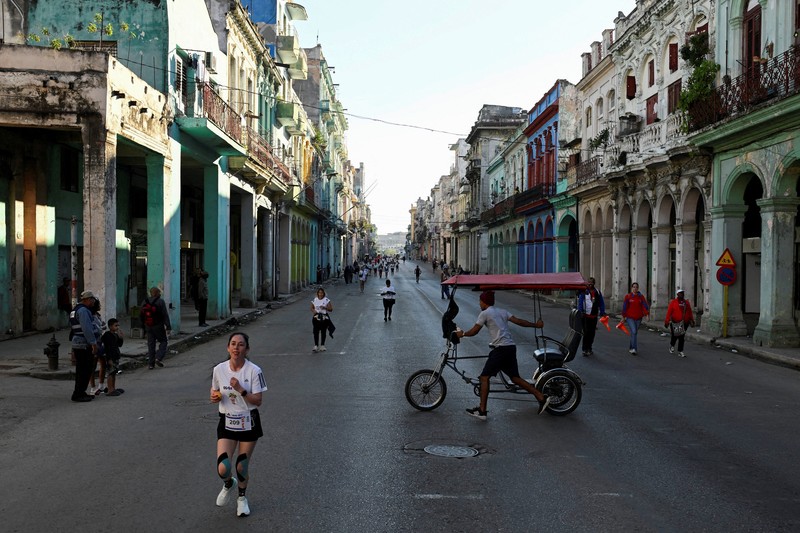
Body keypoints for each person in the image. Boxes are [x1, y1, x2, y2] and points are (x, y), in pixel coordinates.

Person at [456, 290, 550, 419]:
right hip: (510, 348)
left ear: (484, 301)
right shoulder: (502, 311)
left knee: (484, 377)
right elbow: (519, 321)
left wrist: (463, 334)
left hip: (501, 350)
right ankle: (540, 396)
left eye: (480, 301)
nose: (479, 303)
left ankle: (482, 411)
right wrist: (536, 325)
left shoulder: (484, 313)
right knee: (515, 378)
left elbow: (474, 331)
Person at [210, 332, 267, 518]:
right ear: (228, 348)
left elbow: (257, 400)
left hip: (248, 421)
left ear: (246, 349)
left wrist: (241, 390)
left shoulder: (254, 371)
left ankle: (242, 499)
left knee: (242, 466)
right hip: (227, 420)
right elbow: (215, 390)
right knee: (223, 467)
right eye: (233, 344)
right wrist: (214, 396)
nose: (236, 347)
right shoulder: (219, 369)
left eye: (241, 345)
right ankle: (229, 483)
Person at [69, 291, 100, 402]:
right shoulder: (83, 311)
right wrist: (93, 343)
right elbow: (87, 329)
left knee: (82, 369)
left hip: (78, 343)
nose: (93, 302)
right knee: (85, 369)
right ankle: (79, 393)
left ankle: (80, 392)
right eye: (92, 300)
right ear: (87, 299)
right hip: (83, 344)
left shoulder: (76, 309)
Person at [141, 286, 171, 369]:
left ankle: (151, 364)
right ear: (157, 293)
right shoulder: (160, 301)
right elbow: (165, 315)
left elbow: (141, 315)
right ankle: (158, 357)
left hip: (148, 326)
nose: (160, 294)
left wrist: (143, 326)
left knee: (151, 345)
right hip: (158, 325)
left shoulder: (145, 301)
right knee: (163, 341)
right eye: (159, 292)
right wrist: (168, 326)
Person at [577, 277, 606, 356]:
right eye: (589, 282)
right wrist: (580, 312)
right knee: (586, 332)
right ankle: (584, 349)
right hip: (585, 316)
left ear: (594, 283)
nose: (590, 284)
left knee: (592, 333)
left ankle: (589, 347)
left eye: (592, 282)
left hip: (594, 316)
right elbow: (580, 303)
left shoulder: (597, 292)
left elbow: (601, 302)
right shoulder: (584, 292)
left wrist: (602, 312)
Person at [664, 289, 695, 358]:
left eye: (682, 293)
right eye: (680, 293)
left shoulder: (686, 302)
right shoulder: (673, 302)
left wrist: (692, 320)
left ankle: (680, 351)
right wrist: (666, 321)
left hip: (684, 322)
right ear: (677, 294)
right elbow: (669, 312)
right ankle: (672, 345)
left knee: (681, 337)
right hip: (675, 322)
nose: (682, 294)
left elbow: (689, 312)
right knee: (675, 335)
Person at [621, 282, 649, 355]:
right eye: (634, 287)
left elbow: (644, 306)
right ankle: (634, 348)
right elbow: (625, 307)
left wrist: (647, 315)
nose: (635, 288)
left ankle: (631, 347)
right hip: (630, 317)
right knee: (633, 331)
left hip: (638, 318)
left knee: (634, 333)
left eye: (636, 287)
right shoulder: (628, 296)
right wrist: (623, 317)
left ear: (638, 288)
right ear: (631, 288)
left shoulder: (641, 297)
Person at [88, 298, 108, 395]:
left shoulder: (98, 315)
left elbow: (103, 325)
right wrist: (101, 328)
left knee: (103, 363)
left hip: (100, 341)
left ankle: (101, 385)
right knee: (93, 365)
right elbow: (96, 328)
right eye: (99, 305)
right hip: (94, 342)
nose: (100, 307)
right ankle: (92, 387)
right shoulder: (91, 316)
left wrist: (101, 327)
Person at [101, 318, 125, 396]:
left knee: (114, 372)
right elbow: (108, 348)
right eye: (115, 325)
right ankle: (110, 389)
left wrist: (121, 338)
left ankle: (113, 388)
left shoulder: (115, 334)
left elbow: (119, 345)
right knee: (110, 373)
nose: (117, 327)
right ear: (110, 326)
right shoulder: (107, 335)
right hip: (111, 357)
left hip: (116, 356)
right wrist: (109, 359)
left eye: (118, 325)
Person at [311, 288, 333, 352]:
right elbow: (311, 307)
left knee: (323, 331)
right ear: (317, 293)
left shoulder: (326, 300)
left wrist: (325, 307)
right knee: (315, 331)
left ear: (324, 293)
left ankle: (322, 345)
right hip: (316, 317)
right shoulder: (315, 300)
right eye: (319, 293)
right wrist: (314, 311)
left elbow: (331, 309)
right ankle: (316, 345)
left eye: (322, 293)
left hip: (324, 318)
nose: (320, 294)